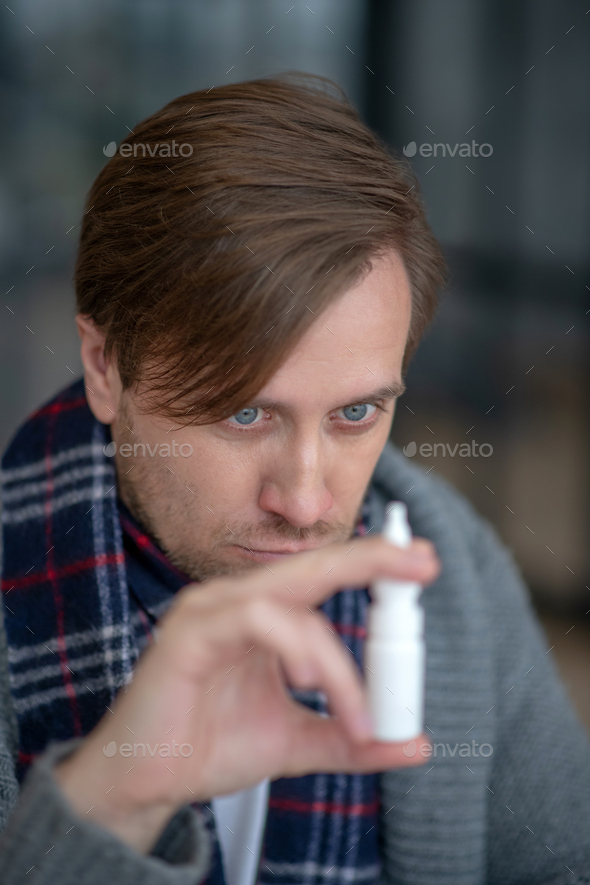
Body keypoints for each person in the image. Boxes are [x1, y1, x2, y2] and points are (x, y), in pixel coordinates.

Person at [0, 73, 589, 885]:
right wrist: (109, 803)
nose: (308, 502)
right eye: (243, 414)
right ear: (106, 367)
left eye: (355, 414)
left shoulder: (451, 570)